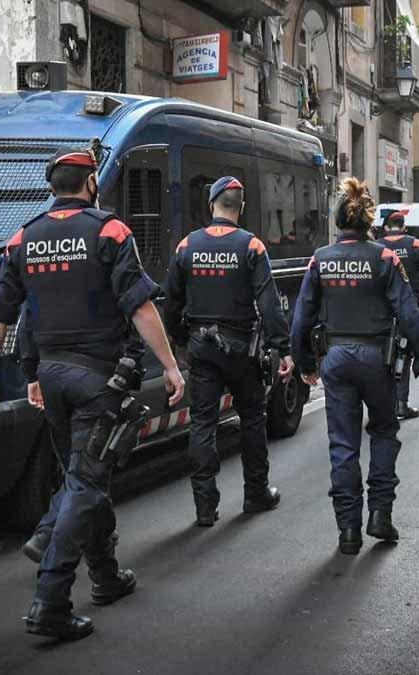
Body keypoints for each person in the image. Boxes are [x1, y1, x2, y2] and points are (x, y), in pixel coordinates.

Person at [0, 146, 186, 640]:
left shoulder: (22, 238)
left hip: (51, 379)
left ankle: (107, 576)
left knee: (83, 476)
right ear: (91, 183)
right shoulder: (110, 231)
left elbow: (2, 317)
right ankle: (50, 600)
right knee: (87, 482)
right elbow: (140, 308)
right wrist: (172, 367)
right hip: (99, 381)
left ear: (53, 186)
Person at [289, 178, 419, 555]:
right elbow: (408, 313)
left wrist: (305, 364)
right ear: (368, 220)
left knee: (343, 445)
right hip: (377, 358)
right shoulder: (384, 258)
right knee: (384, 432)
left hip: (336, 360)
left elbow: (301, 318)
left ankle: (348, 532)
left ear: (338, 220)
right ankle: (380, 516)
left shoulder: (320, 259)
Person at [163, 177, 293, 527]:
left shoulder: (187, 246)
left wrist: (178, 345)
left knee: (202, 423)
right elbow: (269, 305)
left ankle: (205, 507)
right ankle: (256, 493)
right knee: (252, 417)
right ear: (241, 207)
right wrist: (282, 349)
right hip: (242, 350)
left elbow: (170, 302)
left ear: (211, 205)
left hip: (201, 349)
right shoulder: (251, 247)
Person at [378, 211, 419, 420]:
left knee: (379, 357)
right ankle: (401, 405)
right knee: (403, 355)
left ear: (386, 226)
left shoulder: (376, 248)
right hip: (408, 308)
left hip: (381, 312)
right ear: (403, 226)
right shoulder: (417, 245)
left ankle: (381, 405)